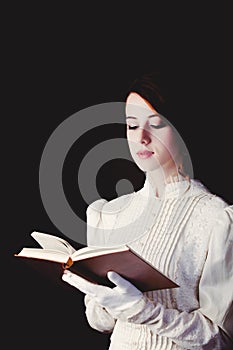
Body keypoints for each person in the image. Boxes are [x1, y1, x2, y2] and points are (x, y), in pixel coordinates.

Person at [62, 72, 233, 349]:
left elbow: (222, 340)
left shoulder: (217, 220)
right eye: (131, 126)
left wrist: (144, 310)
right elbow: (99, 322)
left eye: (156, 124)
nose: (141, 137)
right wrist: (100, 296)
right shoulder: (110, 214)